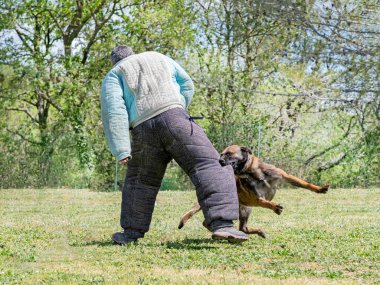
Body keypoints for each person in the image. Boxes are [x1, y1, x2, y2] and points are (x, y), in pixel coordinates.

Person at [101, 45, 248, 244]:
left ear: (114, 61)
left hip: (142, 130)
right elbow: (187, 84)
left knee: (140, 181)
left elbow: (114, 113)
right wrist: (179, 108)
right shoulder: (158, 56)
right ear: (133, 53)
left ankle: (130, 234)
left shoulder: (114, 74)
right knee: (210, 166)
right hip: (176, 119)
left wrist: (121, 149)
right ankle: (223, 225)